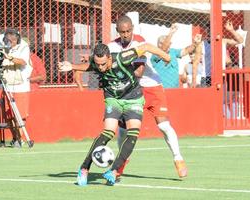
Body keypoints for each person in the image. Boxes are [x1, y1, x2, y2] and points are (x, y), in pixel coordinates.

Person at [58, 43, 170, 186]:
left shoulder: (123, 57)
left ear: (110, 58)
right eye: (98, 65)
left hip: (133, 98)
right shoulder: (97, 63)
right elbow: (89, 66)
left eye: (103, 64)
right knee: (108, 133)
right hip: (113, 99)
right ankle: (84, 168)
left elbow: (147, 46)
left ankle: (114, 171)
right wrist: (72, 66)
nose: (100, 68)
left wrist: (166, 56)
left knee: (133, 133)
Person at [108, 15, 188, 179]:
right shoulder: (112, 47)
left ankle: (178, 158)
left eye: (128, 31)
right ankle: (120, 165)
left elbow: (139, 72)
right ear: (117, 31)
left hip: (151, 87)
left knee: (163, 126)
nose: (125, 34)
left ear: (132, 29)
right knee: (123, 131)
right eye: (122, 32)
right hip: (130, 90)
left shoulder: (139, 43)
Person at [0, 28, 33, 147]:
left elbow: (23, 62)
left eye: (13, 40)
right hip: (6, 81)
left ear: (17, 38)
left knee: (20, 116)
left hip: (20, 84)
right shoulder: (2, 39)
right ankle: (15, 138)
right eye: (8, 40)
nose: (10, 42)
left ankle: (20, 139)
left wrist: (9, 57)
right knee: (8, 115)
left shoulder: (24, 46)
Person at [151, 24, 199, 88]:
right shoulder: (155, 54)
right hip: (162, 90)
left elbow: (186, 51)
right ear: (157, 45)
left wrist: (195, 43)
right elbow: (163, 49)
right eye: (161, 43)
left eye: (166, 42)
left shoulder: (173, 51)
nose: (164, 45)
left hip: (175, 89)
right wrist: (171, 33)